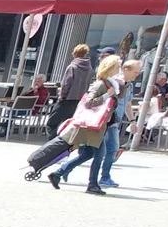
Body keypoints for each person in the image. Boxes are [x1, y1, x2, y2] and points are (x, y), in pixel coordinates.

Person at [49, 55, 122, 195]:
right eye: (117, 66)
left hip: (100, 126)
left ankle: (58, 173)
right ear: (110, 68)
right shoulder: (101, 84)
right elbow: (89, 101)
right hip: (94, 126)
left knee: (88, 154)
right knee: (99, 154)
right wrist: (107, 95)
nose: (119, 68)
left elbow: (119, 95)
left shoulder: (112, 84)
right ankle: (92, 184)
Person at [90, 58, 145, 189]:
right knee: (111, 149)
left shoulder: (128, 85)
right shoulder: (115, 84)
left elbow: (128, 104)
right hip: (108, 120)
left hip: (115, 121)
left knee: (99, 151)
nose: (137, 75)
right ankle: (104, 177)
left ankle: (63, 170)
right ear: (126, 69)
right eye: (135, 72)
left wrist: (132, 121)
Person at [48, 43, 93, 138]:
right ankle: (64, 143)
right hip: (80, 100)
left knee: (52, 123)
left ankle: (52, 143)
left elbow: (66, 84)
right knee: (69, 124)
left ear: (75, 53)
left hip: (67, 99)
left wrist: (61, 96)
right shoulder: (89, 69)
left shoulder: (72, 67)